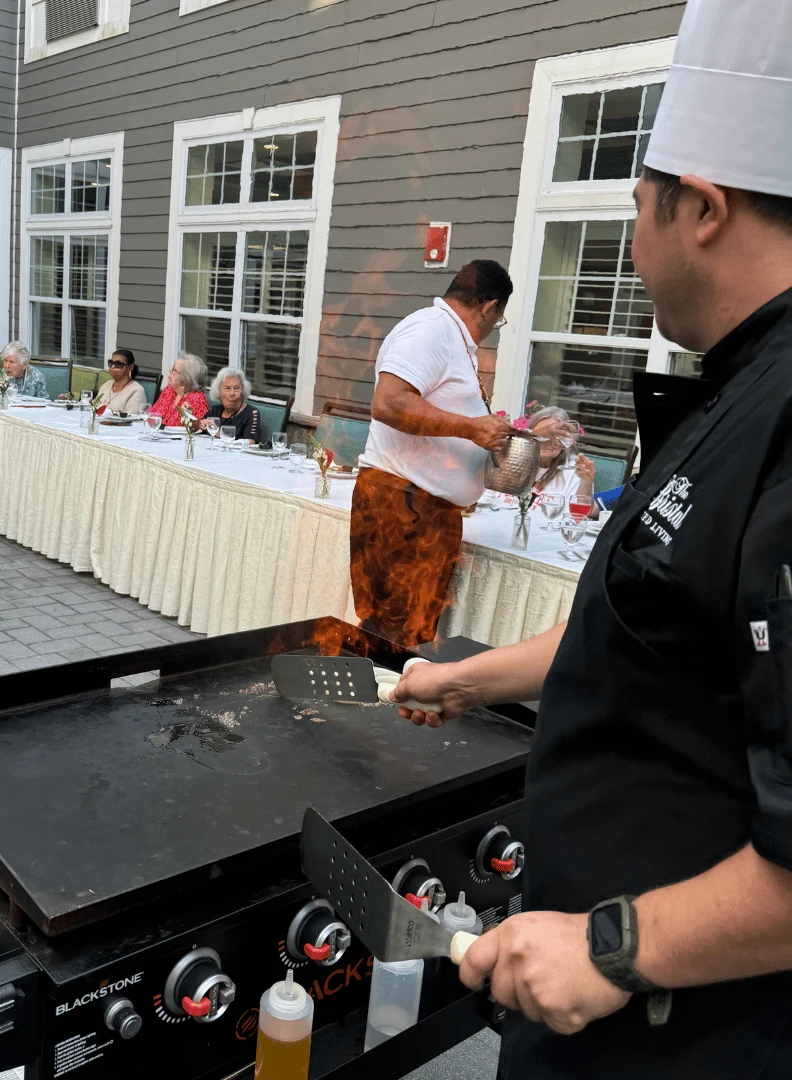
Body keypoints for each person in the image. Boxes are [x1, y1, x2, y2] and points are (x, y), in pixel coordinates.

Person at [391, 3, 792, 1074]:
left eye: (636, 209)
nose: (632, 240)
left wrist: (615, 949)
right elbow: (642, 634)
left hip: (685, 1033)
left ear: (700, 208)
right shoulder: (734, 390)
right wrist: (458, 680)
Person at [351, 260, 514, 647]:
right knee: (395, 634)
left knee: (410, 633)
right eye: (499, 319)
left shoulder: (450, 337)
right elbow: (388, 404)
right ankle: (379, 703)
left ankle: (389, 700)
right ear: (489, 307)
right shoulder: (431, 330)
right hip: (403, 507)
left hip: (422, 510)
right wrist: (472, 428)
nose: (494, 329)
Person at [526, 406, 595, 505]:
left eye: (555, 435)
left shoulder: (576, 469)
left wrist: (586, 483)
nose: (548, 442)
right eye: (542, 436)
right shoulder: (514, 460)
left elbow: (577, 514)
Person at [147, 352, 209, 426]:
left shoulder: (197, 399)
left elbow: (185, 428)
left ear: (185, 380)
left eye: (174, 370)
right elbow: (151, 418)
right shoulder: (169, 390)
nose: (170, 370)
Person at [200, 367, 260, 442]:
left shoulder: (251, 413)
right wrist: (199, 422)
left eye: (237, 388)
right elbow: (199, 429)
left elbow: (251, 442)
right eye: (227, 388)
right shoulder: (216, 410)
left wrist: (218, 433)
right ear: (219, 392)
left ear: (243, 391)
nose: (232, 393)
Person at [97, 348, 147, 414]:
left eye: (118, 364)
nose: (112, 366)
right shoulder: (106, 385)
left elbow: (132, 418)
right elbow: (95, 408)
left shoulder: (136, 390)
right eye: (111, 363)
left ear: (130, 368)